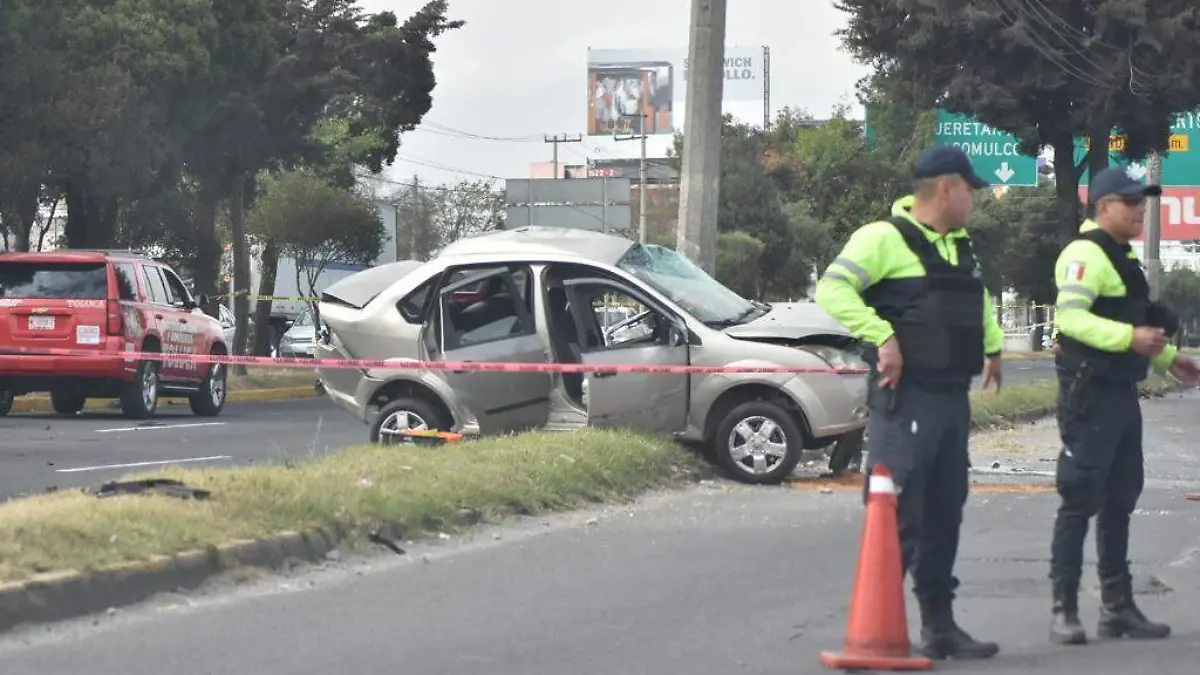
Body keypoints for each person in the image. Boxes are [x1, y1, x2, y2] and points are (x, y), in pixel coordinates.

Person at [814, 145, 1004, 661]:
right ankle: (875, 628)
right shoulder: (883, 238)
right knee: (900, 511)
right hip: (906, 398)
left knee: (946, 511)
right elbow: (832, 290)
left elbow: (977, 299)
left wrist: (992, 348)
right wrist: (882, 336)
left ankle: (940, 628)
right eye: (970, 190)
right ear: (947, 189)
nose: (974, 201)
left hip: (950, 399)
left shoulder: (961, 246)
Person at [1047, 166, 1200, 645]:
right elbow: (1071, 320)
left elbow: (1133, 325)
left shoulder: (1121, 258)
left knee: (1120, 500)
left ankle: (1117, 608)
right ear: (1104, 206)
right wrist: (1129, 338)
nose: (1141, 210)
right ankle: (1064, 610)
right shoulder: (1084, 254)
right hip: (1089, 395)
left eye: (1144, 201)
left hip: (1120, 394)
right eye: (1132, 202)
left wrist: (1172, 358)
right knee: (1079, 501)